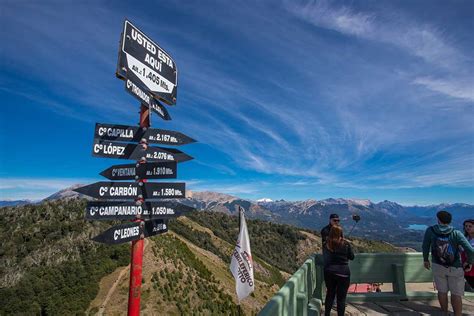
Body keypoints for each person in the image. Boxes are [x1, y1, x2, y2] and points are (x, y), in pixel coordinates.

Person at [422, 210, 474, 316]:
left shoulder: (430, 230)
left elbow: (425, 246)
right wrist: (469, 263)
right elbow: (470, 250)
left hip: (437, 265)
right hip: (455, 267)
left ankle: (444, 313)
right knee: (456, 294)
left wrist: (426, 259)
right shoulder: (456, 233)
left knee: (442, 291)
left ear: (438, 219)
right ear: (450, 221)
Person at [323, 225, 354, 316]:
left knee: (330, 294)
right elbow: (352, 257)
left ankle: (327, 314)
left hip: (329, 272)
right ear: (341, 233)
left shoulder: (326, 244)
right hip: (343, 273)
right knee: (341, 299)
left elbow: (325, 258)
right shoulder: (346, 244)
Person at [461, 219, 474, 290]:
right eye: (466, 226)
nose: (467, 228)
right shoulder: (464, 238)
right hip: (466, 268)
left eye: (470, 226)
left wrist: (469, 262)